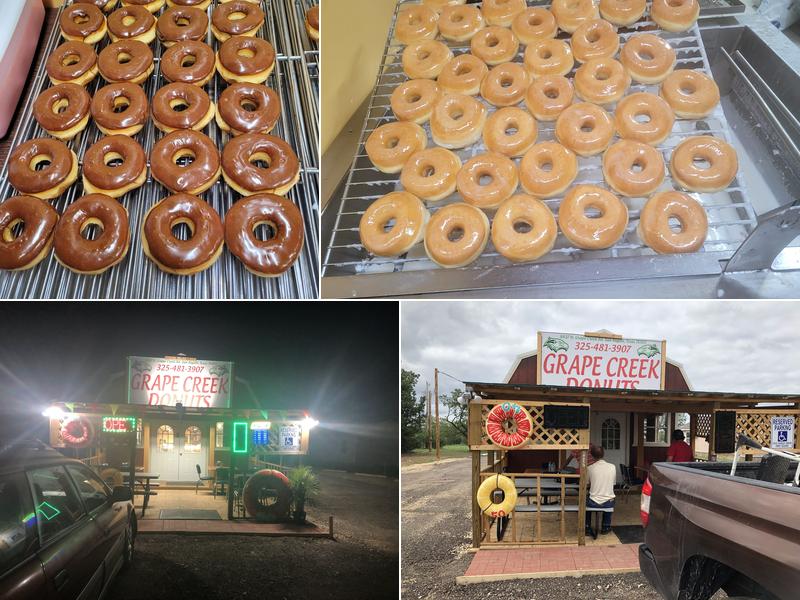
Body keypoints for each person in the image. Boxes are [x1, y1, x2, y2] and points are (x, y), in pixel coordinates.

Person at [585, 445, 616, 535]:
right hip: (608, 502)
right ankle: (605, 526)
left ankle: (587, 526)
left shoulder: (589, 468)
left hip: (592, 501)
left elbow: (587, 484)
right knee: (611, 496)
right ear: (603, 454)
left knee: (585, 500)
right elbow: (613, 484)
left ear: (591, 455)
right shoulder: (612, 467)